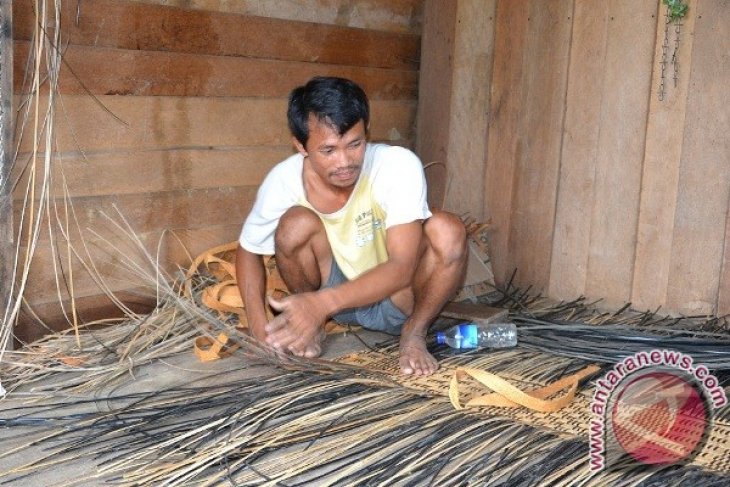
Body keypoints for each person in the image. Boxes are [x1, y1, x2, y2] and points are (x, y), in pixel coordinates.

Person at [236, 76, 466, 376]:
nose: (344, 161)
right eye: (328, 150)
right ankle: (312, 327)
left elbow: (402, 268)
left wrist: (321, 304)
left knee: (447, 229)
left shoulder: (396, 165)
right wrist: (259, 330)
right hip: (335, 302)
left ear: (367, 133)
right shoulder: (284, 180)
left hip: (397, 298)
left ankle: (413, 334)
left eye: (354, 144)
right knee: (294, 225)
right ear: (301, 146)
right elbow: (248, 249)